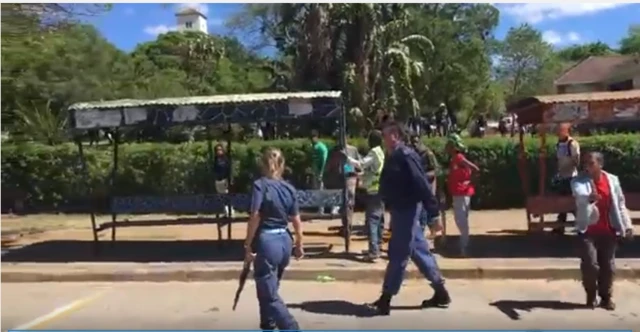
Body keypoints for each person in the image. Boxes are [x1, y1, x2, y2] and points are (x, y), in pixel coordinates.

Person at [367, 121, 450, 316]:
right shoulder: (394, 155)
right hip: (400, 210)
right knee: (419, 251)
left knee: (398, 253)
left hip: (408, 210)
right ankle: (441, 292)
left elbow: (422, 184)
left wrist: (434, 214)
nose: (383, 139)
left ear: (395, 135)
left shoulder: (405, 155)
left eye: (386, 135)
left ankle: (386, 298)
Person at [243, 148, 304, 331]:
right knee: (268, 288)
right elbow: (297, 221)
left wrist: (247, 244)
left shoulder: (260, 185)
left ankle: (291, 327)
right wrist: (299, 244)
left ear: (263, 165)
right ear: (282, 165)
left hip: (267, 242)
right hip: (285, 241)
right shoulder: (289, 188)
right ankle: (267, 324)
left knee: (269, 294)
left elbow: (255, 215)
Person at [571, 152, 633, 310]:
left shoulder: (612, 180)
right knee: (591, 265)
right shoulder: (578, 180)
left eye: (591, 163)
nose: (587, 166)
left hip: (608, 229)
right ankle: (591, 295)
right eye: (585, 163)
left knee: (608, 267)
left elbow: (620, 204)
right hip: (587, 230)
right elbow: (579, 195)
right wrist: (589, 198)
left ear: (600, 164)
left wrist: (627, 226)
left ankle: (606, 297)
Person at [344, 130, 386, 262]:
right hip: (381, 189)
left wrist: (348, 158)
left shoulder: (374, 152)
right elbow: (372, 170)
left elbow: (361, 164)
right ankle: (377, 247)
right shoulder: (381, 152)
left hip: (374, 191)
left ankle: (373, 251)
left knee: (372, 221)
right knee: (379, 220)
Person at [446, 134, 480, 257]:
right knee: (460, 219)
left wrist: (468, 183)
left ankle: (464, 247)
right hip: (459, 193)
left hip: (462, 193)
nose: (447, 147)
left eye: (449, 145)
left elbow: (475, 168)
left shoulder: (459, 158)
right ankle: (463, 245)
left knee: (461, 221)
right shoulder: (454, 159)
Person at [409, 134, 441, 236]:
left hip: (428, 185)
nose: (414, 144)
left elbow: (436, 170)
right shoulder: (411, 154)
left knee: (427, 209)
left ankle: (431, 231)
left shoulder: (428, 153)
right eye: (412, 141)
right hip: (417, 186)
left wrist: (424, 176)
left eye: (416, 141)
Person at [553, 123, 580, 234]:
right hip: (562, 176)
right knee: (561, 203)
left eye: (561, 130)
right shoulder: (559, 144)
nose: (558, 132)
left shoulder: (572, 144)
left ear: (566, 131)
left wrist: (568, 167)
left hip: (571, 177)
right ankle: (560, 226)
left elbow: (576, 160)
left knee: (571, 203)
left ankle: (582, 223)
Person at [310, 130, 329, 214]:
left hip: (320, 172)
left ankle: (322, 209)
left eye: (313, 137)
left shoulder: (321, 147)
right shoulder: (313, 147)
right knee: (317, 191)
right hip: (315, 172)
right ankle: (319, 208)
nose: (312, 139)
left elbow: (324, 160)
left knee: (321, 190)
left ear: (317, 137)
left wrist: (321, 172)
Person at [213, 143, 234, 217]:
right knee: (221, 197)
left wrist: (230, 179)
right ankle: (226, 212)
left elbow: (229, 169)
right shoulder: (215, 159)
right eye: (217, 150)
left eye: (220, 149)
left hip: (225, 180)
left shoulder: (226, 159)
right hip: (218, 181)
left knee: (226, 196)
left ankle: (230, 212)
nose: (219, 151)